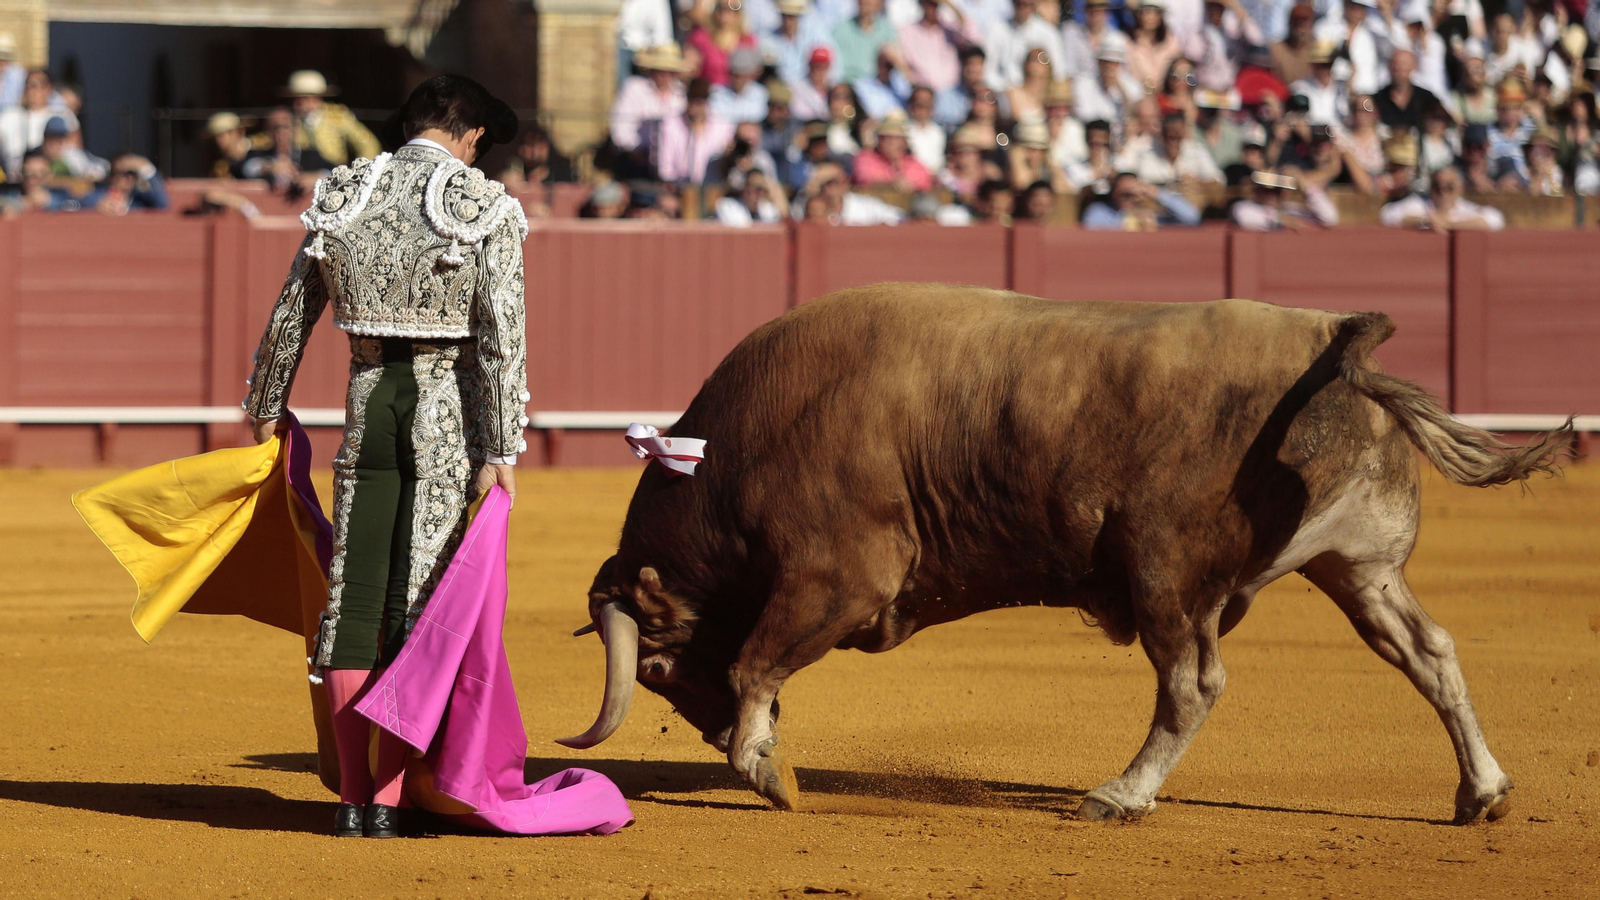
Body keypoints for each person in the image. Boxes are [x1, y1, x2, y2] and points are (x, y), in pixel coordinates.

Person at [242, 75, 526, 839]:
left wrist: (266, 406)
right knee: (417, 608)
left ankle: (352, 799)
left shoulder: (342, 193)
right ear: (467, 135)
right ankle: (393, 801)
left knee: (355, 599)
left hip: (366, 406)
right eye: (479, 146)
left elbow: (293, 311)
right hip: (442, 415)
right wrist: (501, 446)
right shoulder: (484, 205)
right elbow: (501, 339)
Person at [284, 70, 380, 167]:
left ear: (317, 98)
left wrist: (360, 170)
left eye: (306, 98)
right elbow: (269, 147)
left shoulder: (336, 115)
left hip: (334, 174)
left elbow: (368, 144)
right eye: (296, 99)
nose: (300, 104)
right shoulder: (285, 119)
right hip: (300, 176)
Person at [610, 43, 691, 154]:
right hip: (634, 156)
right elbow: (620, 127)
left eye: (668, 70)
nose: (662, 74)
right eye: (658, 69)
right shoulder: (634, 88)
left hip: (670, 157)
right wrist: (636, 151)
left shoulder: (682, 94)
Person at [657, 78, 737, 183]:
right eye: (691, 100)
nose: (694, 107)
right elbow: (665, 169)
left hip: (713, 188)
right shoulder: (670, 125)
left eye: (700, 102)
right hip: (680, 188)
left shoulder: (724, 127)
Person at [1379, 163, 1504, 228]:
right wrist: (1425, 221)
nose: (1443, 192)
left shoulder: (1464, 208)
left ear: (1460, 189)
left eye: (1449, 187)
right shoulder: (1419, 203)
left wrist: (1449, 224)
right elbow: (1387, 213)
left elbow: (1495, 219)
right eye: (1437, 186)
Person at [0, 68, 75, 176]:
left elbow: (73, 149)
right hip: (13, 179)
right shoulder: (8, 116)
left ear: (49, 88)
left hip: (50, 178)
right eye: (28, 85)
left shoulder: (62, 115)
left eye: (36, 85)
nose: (31, 90)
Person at [241, 107, 331, 195]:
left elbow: (333, 171)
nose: (280, 133)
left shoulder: (310, 155)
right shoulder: (260, 154)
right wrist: (269, 167)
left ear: (295, 130)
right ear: (268, 131)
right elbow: (246, 167)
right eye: (275, 128)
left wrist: (316, 178)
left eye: (285, 127)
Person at [898, 0, 980, 92]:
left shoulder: (950, 29)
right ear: (921, 3)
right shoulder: (907, 31)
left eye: (935, 4)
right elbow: (903, 63)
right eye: (928, 3)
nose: (932, 8)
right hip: (923, 95)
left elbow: (974, 40)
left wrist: (950, 5)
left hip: (952, 92)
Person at [984, 0, 1068, 90]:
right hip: (1006, 94)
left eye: (1028, 4)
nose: (1024, 8)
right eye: (1020, 3)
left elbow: (1059, 71)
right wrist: (1008, 89)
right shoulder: (997, 30)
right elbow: (988, 71)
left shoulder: (1048, 33)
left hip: (1040, 93)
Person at [1187, 0, 1264, 93]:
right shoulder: (1200, 32)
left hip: (1231, 90)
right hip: (1205, 90)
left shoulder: (1233, 30)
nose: (1215, 12)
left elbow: (1257, 39)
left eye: (1219, 8)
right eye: (1212, 7)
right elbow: (1193, 54)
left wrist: (1235, 6)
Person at [1081, 169, 1201, 228]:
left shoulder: (1154, 215)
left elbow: (1191, 218)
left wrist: (1155, 192)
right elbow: (1091, 224)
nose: (1128, 198)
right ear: (1113, 193)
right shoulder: (1100, 211)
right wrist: (1128, 219)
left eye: (1132, 194)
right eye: (1124, 194)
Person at [1229, 169, 1335, 228]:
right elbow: (1241, 214)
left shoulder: (1291, 209)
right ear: (1257, 192)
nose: (1271, 195)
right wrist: (1282, 219)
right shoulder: (1247, 208)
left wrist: (1305, 185)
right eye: (1266, 190)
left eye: (1276, 191)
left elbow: (1329, 217)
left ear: (1282, 193)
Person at [688, 0, 760, 86]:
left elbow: (754, 72)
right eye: (721, 7)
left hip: (738, 95)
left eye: (733, 7)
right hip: (709, 93)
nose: (726, 12)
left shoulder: (747, 41)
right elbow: (691, 71)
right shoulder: (700, 38)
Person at [764, 0, 838, 85]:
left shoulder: (815, 33)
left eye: (792, 16)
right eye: (785, 16)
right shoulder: (769, 38)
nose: (788, 21)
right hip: (784, 89)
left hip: (811, 87)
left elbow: (833, 61)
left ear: (798, 16)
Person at [834, 0, 905, 84]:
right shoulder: (841, 29)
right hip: (850, 84)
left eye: (869, 3)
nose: (866, 6)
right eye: (863, 2)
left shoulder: (887, 30)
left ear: (879, 5)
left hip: (878, 85)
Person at [854, 115, 935, 189]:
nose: (893, 142)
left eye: (898, 138)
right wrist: (893, 183)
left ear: (905, 142)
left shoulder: (913, 162)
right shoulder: (866, 157)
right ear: (880, 139)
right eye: (888, 137)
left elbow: (926, 181)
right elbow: (865, 177)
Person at [1126, 0, 1185, 93]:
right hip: (1137, 94)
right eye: (1145, 12)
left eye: (1154, 12)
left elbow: (1178, 67)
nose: (1149, 17)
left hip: (1166, 94)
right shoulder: (1128, 41)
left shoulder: (1170, 41)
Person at [81, 153, 169, 214]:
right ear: (112, 176)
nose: (129, 178)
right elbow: (76, 203)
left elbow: (162, 205)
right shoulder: (98, 196)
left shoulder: (138, 200)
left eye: (134, 174)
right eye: (124, 174)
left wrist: (147, 170)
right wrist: (95, 206)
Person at [1375, 49, 1439, 131]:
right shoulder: (1377, 100)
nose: (1398, 68)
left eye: (1403, 64)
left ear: (1413, 66)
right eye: (1395, 63)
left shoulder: (1427, 99)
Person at [498, 123, 576, 187]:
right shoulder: (514, 170)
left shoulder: (561, 172)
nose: (535, 151)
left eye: (539, 144)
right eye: (530, 145)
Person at [711, 47, 773, 123]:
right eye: (735, 75)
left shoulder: (761, 94)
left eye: (741, 76)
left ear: (750, 75)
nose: (738, 80)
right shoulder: (717, 93)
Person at [716, 167, 791, 223]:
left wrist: (772, 188)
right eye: (751, 188)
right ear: (744, 189)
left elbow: (785, 217)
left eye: (759, 189)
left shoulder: (767, 210)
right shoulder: (728, 206)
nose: (754, 194)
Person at [789, 46, 837, 121]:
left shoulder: (833, 88)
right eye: (817, 67)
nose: (820, 72)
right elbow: (799, 113)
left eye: (823, 67)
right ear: (810, 66)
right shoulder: (797, 87)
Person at [208, 111, 253, 179]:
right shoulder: (220, 167)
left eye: (222, 135)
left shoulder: (258, 154)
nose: (218, 140)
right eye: (215, 136)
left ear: (240, 132)